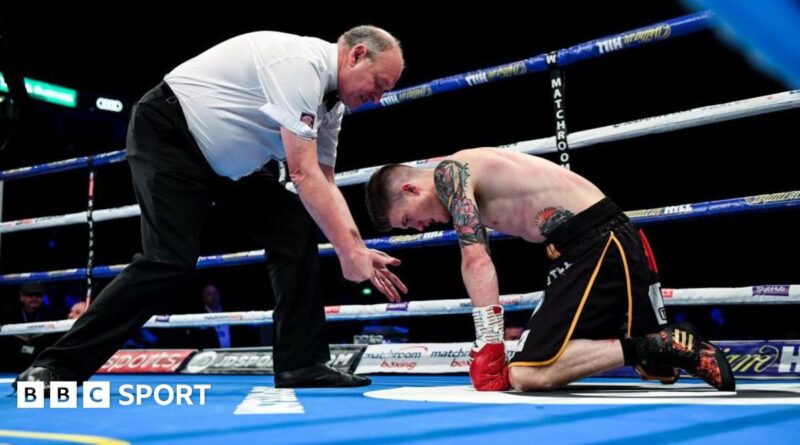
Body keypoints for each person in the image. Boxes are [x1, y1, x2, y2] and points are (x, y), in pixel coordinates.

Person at [15, 25, 407, 392]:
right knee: (169, 259)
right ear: (356, 55)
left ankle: (301, 364)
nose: (377, 97)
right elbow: (303, 174)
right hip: (170, 134)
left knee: (293, 226)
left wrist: (354, 244)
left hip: (231, 167)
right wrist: (348, 250)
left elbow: (324, 179)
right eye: (379, 84)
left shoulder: (331, 109)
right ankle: (56, 367)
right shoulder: (299, 63)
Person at [365, 147, 735, 392]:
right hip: (591, 248)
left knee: (526, 374)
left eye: (409, 221)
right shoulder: (464, 175)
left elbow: (476, 258)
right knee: (656, 371)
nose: (420, 228)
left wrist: (490, 342)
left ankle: (661, 343)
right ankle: (657, 348)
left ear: (411, 189)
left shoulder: (449, 174)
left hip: (597, 243)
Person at [0, 282, 59, 372]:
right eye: (30, 295)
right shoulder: (8, 316)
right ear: (21, 296)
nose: (34, 298)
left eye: (38, 295)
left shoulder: (52, 316)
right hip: (11, 367)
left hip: (41, 367)